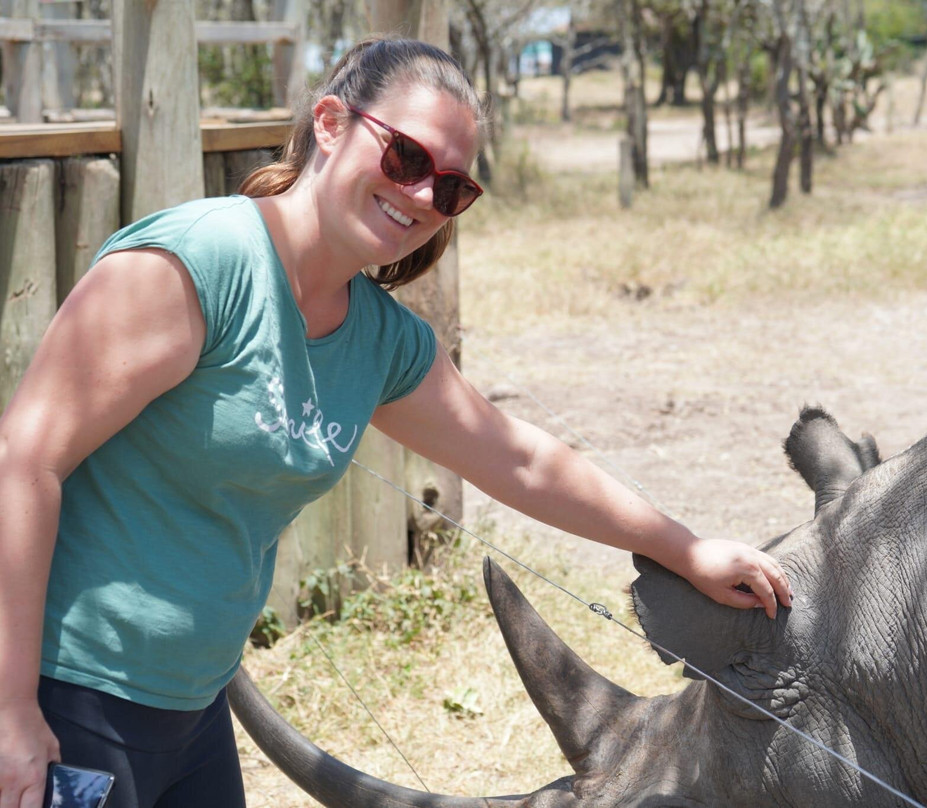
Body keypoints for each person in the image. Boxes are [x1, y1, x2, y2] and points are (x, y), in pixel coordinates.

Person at [0, 36, 792, 808]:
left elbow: (519, 460)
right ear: (331, 124)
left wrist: (682, 547)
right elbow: (22, 462)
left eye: (451, 188)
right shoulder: (195, 267)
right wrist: (11, 713)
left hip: (192, 703)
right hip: (70, 695)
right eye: (407, 157)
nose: (422, 196)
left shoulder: (377, 339)